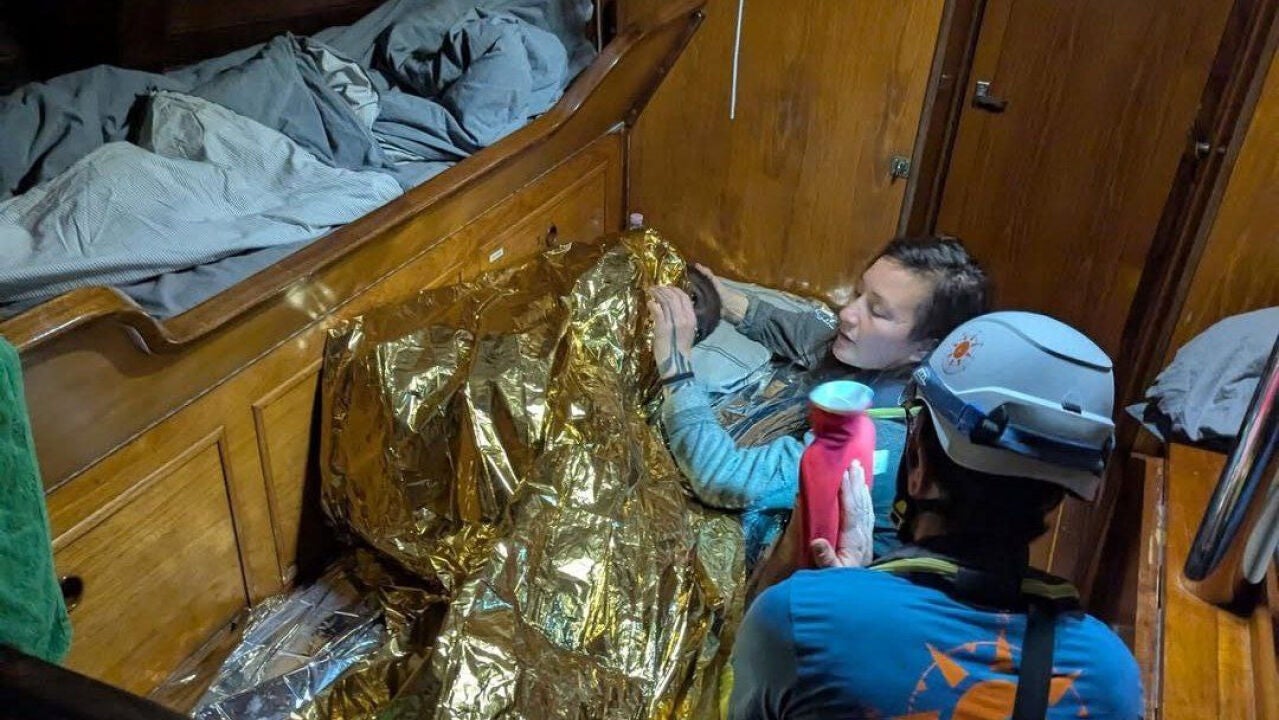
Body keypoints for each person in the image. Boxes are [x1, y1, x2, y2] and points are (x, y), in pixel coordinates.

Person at [729, 311, 1143, 720]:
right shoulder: (1109, 673)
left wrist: (835, 587)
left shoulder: (801, 618)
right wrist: (858, 585)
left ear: (919, 465)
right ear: (1058, 494)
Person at [647, 236, 989, 567]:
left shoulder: (878, 435)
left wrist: (677, 366)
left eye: (876, 311)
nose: (847, 314)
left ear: (925, 349)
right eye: (857, 293)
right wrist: (726, 301)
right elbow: (812, 334)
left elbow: (723, 477)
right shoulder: (892, 361)